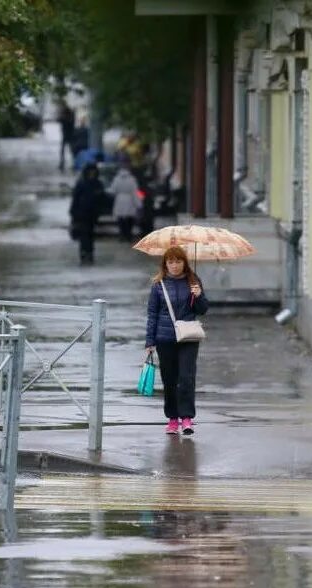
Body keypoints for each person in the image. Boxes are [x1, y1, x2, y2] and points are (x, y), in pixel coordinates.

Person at [144, 246, 209, 435]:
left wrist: (198, 296)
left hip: (188, 337)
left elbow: (203, 310)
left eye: (178, 261)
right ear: (165, 264)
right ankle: (173, 419)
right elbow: (152, 314)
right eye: (170, 262)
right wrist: (150, 342)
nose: (174, 265)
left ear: (184, 263)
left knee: (187, 378)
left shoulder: (194, 282)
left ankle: (187, 418)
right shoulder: (158, 285)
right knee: (169, 379)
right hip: (165, 338)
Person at [70, 163, 105, 265]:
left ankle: (89, 253)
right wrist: (73, 212)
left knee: (90, 234)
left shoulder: (97, 184)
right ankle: (84, 253)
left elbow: (101, 198)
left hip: (93, 214)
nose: (92, 174)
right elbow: (75, 199)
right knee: (84, 235)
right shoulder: (81, 184)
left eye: (93, 172)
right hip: (82, 214)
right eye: (90, 172)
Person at [110, 163, 140, 241]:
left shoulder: (116, 179)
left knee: (120, 218)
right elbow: (135, 191)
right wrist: (139, 204)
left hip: (119, 200)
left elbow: (112, 190)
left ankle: (122, 235)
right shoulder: (132, 179)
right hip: (129, 200)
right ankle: (128, 235)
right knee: (130, 218)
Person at [57, 100, 75, 172]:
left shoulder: (68, 116)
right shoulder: (67, 116)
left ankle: (66, 163)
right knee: (67, 150)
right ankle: (63, 163)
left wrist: (62, 116)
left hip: (68, 135)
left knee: (68, 150)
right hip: (67, 135)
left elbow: (60, 120)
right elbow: (58, 120)